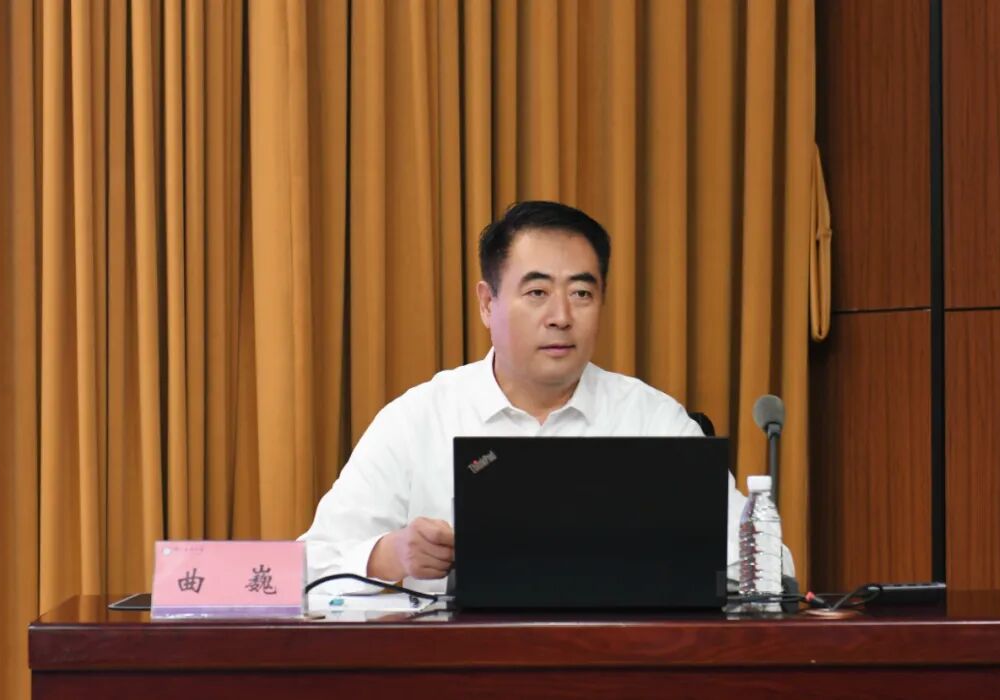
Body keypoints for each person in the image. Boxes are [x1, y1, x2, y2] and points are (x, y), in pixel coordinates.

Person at [300, 200, 791, 594]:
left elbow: (771, 570)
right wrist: (389, 555)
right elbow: (307, 566)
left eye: (581, 294)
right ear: (487, 304)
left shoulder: (651, 420)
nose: (561, 316)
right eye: (537, 293)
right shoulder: (419, 418)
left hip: (619, 665)